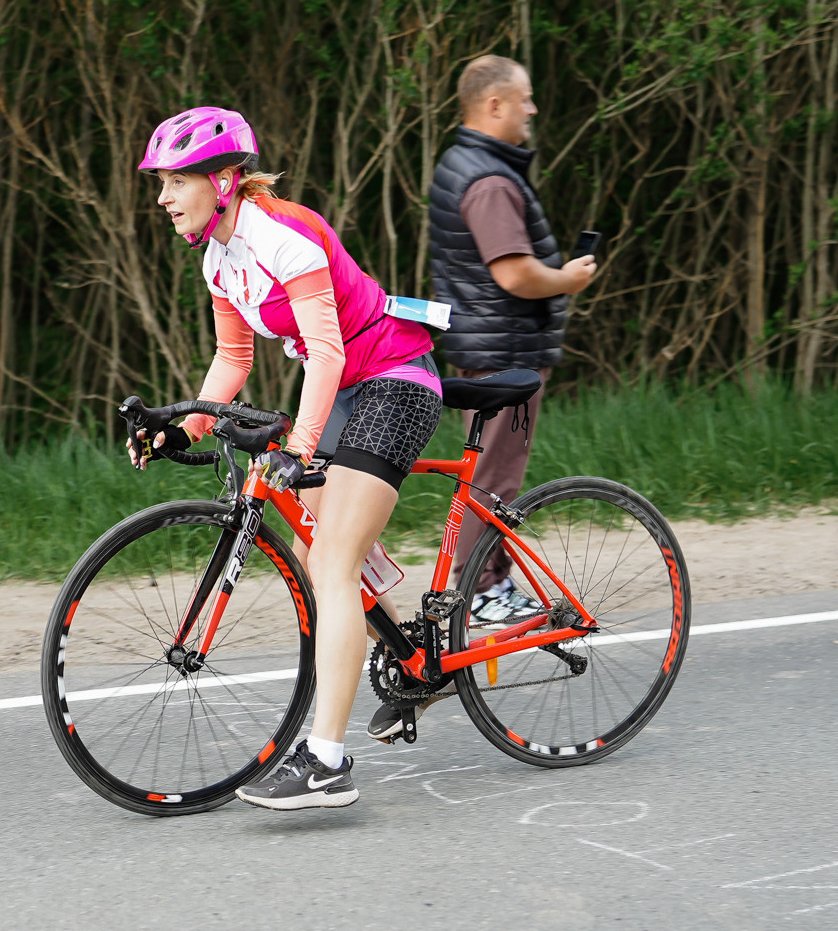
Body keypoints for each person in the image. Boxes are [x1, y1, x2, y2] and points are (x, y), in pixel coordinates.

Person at [131, 106, 443, 811]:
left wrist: (302, 446)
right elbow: (232, 358)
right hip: (345, 386)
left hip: (394, 375)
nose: (163, 198)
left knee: (329, 560)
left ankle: (328, 762)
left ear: (222, 179)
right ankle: (409, 653)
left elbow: (327, 352)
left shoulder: (282, 233)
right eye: (161, 183)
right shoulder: (218, 257)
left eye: (175, 181)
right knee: (321, 544)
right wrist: (183, 430)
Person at [427, 55, 596, 625]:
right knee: (495, 479)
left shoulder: (462, 161)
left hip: (485, 346)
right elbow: (515, 273)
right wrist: (569, 278)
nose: (532, 108)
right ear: (493, 105)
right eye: (523, 97)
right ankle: (483, 591)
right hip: (507, 356)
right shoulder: (492, 180)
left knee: (485, 475)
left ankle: (483, 585)